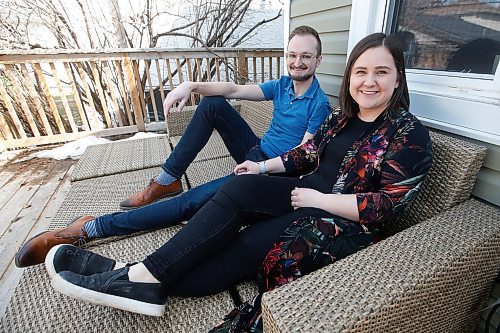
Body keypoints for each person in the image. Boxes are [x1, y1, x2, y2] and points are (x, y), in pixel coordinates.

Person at [45, 32, 433, 322]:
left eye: (381, 72)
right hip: (303, 193)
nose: (369, 81)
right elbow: (308, 154)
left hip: (339, 219)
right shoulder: (342, 116)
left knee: (244, 247)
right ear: (350, 76)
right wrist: (261, 167)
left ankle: (136, 275)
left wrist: (321, 201)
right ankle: (140, 274)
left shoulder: (408, 134)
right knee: (239, 187)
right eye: (361, 71)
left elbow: (385, 206)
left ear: (398, 78)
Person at [14, 25, 330, 268]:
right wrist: (190, 85)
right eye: (292, 54)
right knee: (213, 104)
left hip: (269, 175)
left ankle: (91, 228)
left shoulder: (320, 106)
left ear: (318, 59)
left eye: (305, 56)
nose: (297, 61)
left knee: (190, 204)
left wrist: (259, 168)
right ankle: (168, 178)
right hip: (257, 151)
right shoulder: (283, 85)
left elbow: (297, 160)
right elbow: (234, 88)